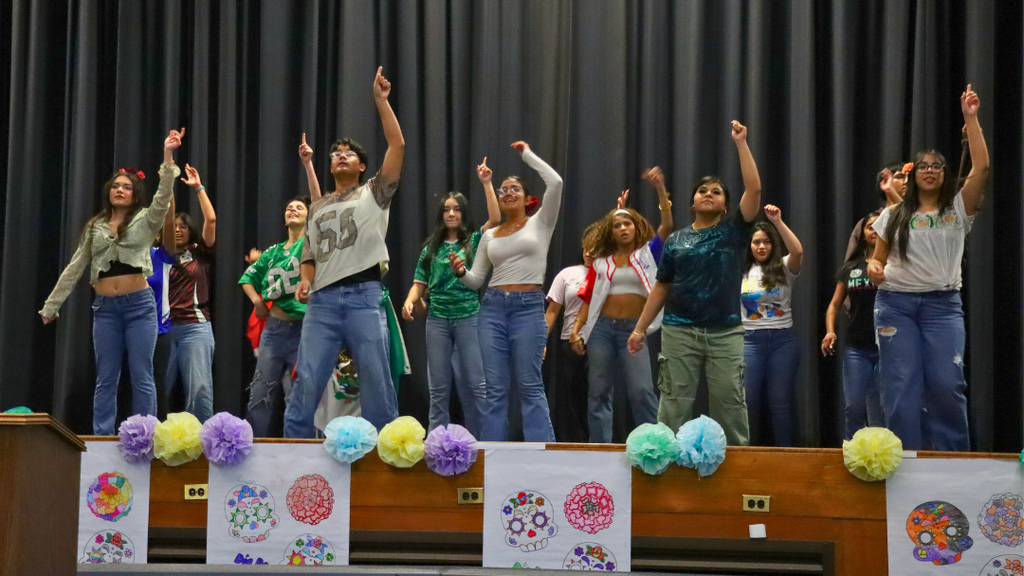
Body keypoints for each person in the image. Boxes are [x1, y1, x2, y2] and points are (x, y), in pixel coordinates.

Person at [285, 66, 405, 437]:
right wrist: (305, 281)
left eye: (348, 154)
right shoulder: (318, 207)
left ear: (362, 166)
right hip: (321, 302)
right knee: (307, 380)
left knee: (376, 381)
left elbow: (397, 146)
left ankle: (387, 462)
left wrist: (381, 102)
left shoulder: (375, 192)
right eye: (335, 153)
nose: (340, 156)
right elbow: (309, 254)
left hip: (364, 297)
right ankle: (292, 456)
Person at [868, 85, 988, 451]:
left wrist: (971, 117)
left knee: (947, 384)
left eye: (937, 166)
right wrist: (873, 266)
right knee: (901, 386)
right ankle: (905, 463)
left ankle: (952, 463)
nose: (931, 171)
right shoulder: (892, 215)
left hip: (943, 307)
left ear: (945, 173)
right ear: (914, 175)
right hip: (896, 306)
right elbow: (877, 257)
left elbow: (981, 166)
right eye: (923, 166)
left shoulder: (957, 209)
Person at [40, 128, 184, 434]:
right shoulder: (95, 226)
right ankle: (102, 438)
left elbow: (163, 194)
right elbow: (75, 267)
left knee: (141, 373)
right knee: (106, 377)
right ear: (109, 191)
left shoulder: (146, 220)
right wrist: (51, 306)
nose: (120, 190)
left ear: (134, 195)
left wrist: (168, 154)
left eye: (126, 187)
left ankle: (143, 437)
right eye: (115, 186)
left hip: (139, 308)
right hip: (105, 310)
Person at [628, 120, 762, 446]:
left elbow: (754, 189)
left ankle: (736, 471)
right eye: (702, 190)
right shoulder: (675, 240)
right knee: (673, 404)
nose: (708, 194)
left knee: (729, 404)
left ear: (726, 206)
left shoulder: (735, 230)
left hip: (725, 332)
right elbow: (661, 286)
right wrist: (640, 328)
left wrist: (741, 143)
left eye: (716, 192)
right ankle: (665, 464)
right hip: (679, 331)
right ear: (692, 203)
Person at [451, 141, 563, 442]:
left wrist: (528, 155)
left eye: (515, 189)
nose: (508, 193)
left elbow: (556, 182)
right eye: (503, 190)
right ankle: (493, 456)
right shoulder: (489, 235)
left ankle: (543, 456)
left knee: (529, 385)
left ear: (528, 199)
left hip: (528, 309)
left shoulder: (541, 222)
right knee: (494, 388)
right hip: (492, 309)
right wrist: (461, 272)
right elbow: (477, 280)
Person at [570, 172, 674, 443]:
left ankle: (654, 447)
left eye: (628, 223)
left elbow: (667, 224)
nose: (623, 229)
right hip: (602, 330)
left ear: (636, 226)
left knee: (642, 392)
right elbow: (590, 298)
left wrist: (661, 189)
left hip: (633, 331)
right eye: (617, 226)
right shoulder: (601, 262)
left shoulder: (647, 254)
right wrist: (577, 330)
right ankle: (599, 449)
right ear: (611, 232)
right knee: (599, 393)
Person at [402, 157, 500, 436]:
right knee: (438, 387)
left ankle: (484, 442)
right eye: (446, 210)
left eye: (457, 209)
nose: (451, 214)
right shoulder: (430, 248)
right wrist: (410, 300)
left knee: (477, 385)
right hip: (437, 321)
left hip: (469, 318)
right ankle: (437, 444)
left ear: (464, 213)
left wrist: (486, 182)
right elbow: (418, 283)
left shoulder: (474, 241)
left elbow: (494, 219)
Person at [239, 195, 310, 437]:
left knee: (297, 395)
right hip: (274, 330)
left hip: (304, 331)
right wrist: (257, 301)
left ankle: (299, 452)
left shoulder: (313, 245)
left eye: (300, 207)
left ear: (310, 217)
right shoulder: (273, 252)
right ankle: (254, 449)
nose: (293, 210)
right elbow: (247, 278)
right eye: (289, 207)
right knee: (260, 393)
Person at [740, 205, 804, 446]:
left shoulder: (785, 267)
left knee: (780, 402)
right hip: (750, 341)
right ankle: (744, 454)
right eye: (756, 242)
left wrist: (777, 221)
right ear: (750, 246)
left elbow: (798, 250)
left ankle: (786, 455)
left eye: (766, 242)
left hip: (783, 341)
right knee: (748, 401)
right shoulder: (743, 270)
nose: (761, 246)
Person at [823, 210, 883, 439]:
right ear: (862, 234)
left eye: (880, 225)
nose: (875, 230)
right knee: (854, 407)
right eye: (870, 227)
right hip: (857, 348)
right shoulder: (851, 268)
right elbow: (834, 305)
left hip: (888, 347)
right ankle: (853, 455)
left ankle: (884, 461)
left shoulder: (896, 264)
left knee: (880, 411)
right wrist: (830, 332)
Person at [166, 163, 218, 422]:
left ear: (190, 232)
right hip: (160, 328)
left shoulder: (200, 252)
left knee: (198, 390)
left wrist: (198, 187)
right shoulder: (158, 255)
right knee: (155, 389)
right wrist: (167, 182)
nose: (177, 229)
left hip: (194, 327)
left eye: (183, 226)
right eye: (173, 225)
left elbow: (211, 219)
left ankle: (202, 448)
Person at [545, 243, 595, 443]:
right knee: (572, 396)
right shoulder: (567, 274)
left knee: (598, 394)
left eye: (595, 248)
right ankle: (575, 441)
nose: (590, 252)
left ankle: (599, 442)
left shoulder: (609, 273)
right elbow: (551, 312)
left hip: (600, 340)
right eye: (586, 248)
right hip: (570, 341)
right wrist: (542, 341)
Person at [844, 162, 909, 260]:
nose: (906, 181)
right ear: (885, 182)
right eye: (900, 176)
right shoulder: (868, 223)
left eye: (909, 178)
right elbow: (851, 267)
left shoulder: (920, 217)